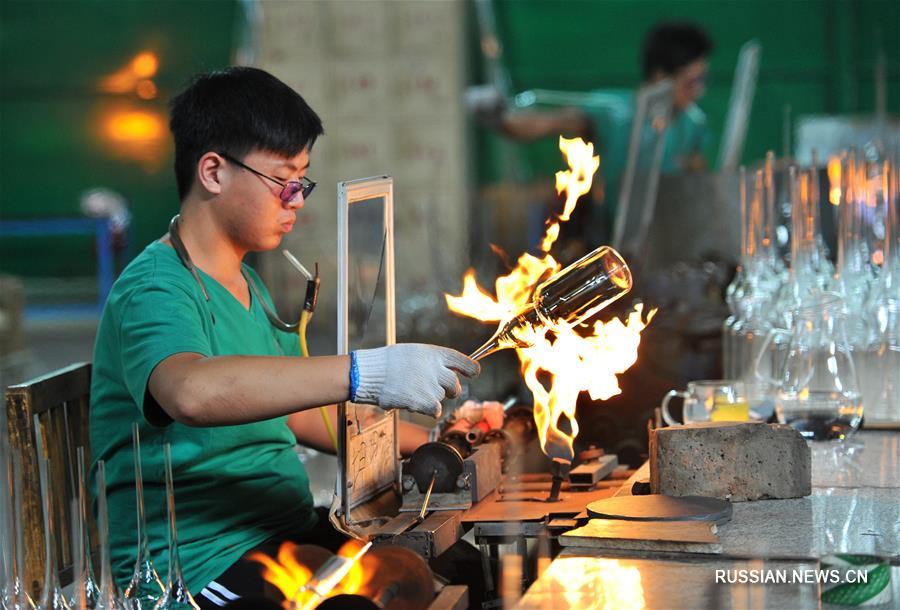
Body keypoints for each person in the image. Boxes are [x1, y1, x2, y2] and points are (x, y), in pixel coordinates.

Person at [89, 66, 481, 608]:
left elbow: (292, 415)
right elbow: (191, 393)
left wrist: (442, 441)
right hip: (200, 563)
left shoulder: (246, 282)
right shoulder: (157, 288)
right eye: (283, 180)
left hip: (283, 532)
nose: (296, 198)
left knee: (450, 567)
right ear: (213, 172)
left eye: (303, 180)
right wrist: (364, 372)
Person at [490, 22, 714, 244]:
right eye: (692, 82)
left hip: (662, 245)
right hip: (606, 242)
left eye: (703, 81)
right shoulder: (614, 112)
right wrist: (497, 118)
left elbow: (698, 183)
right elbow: (549, 123)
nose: (699, 92)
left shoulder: (692, 124)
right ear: (660, 76)